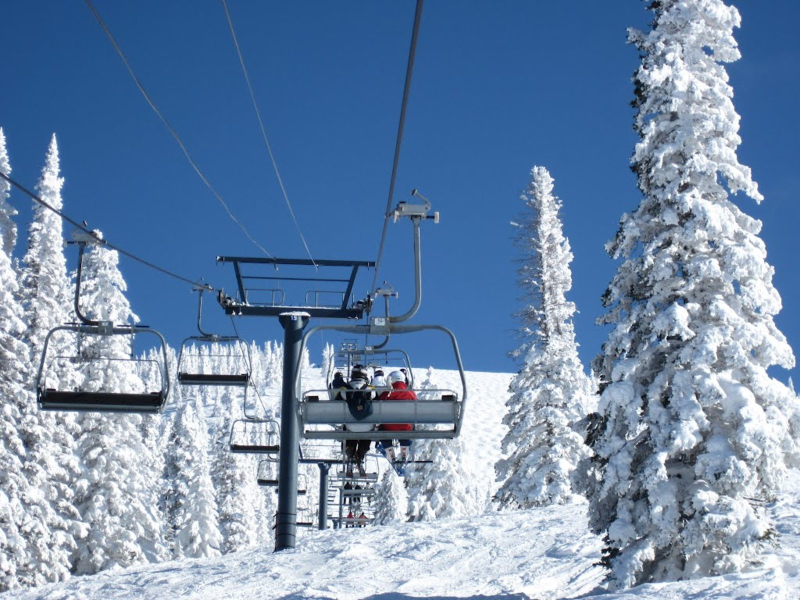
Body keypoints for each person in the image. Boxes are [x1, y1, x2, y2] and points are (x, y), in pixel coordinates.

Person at [378, 370, 416, 464]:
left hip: (388, 427)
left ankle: (389, 449)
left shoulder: (387, 393)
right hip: (406, 427)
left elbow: (378, 406)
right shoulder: (410, 393)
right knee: (406, 428)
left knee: (381, 429)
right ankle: (405, 447)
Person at [342, 366, 375, 477]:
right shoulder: (369, 388)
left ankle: (350, 453)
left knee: (348, 431)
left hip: (350, 425)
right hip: (367, 425)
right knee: (368, 433)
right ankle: (360, 454)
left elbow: (339, 398)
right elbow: (375, 397)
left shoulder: (345, 389)